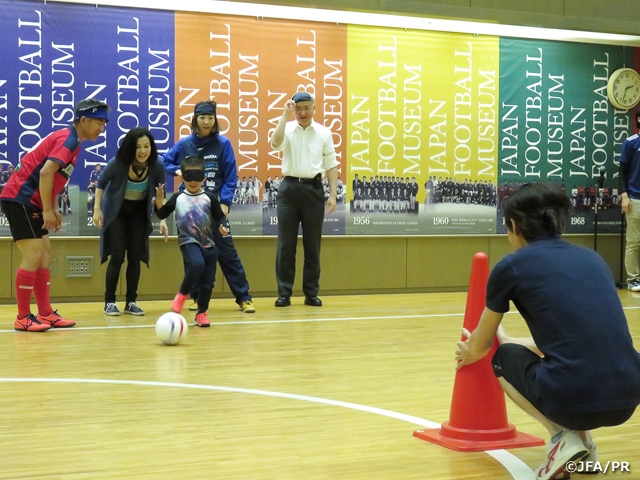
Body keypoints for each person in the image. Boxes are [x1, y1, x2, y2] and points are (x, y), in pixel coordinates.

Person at [454, 182, 640, 480]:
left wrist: (468, 352)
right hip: (629, 397)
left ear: (514, 225)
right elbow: (581, 338)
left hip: (573, 399)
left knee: (503, 357)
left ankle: (561, 439)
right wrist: (516, 340)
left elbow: (480, 344)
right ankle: (586, 448)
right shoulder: (592, 259)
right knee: (569, 365)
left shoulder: (511, 267)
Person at [0, 98, 110, 331]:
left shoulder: (72, 142)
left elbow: (53, 176)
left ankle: (46, 313)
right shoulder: (68, 140)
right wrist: (47, 209)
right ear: (83, 120)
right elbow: (47, 172)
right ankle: (22, 317)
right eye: (99, 122)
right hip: (20, 198)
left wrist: (54, 208)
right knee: (34, 253)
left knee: (46, 253)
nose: (102, 127)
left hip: (31, 201)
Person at [162, 100, 255, 313]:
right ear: (195, 119)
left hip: (214, 209)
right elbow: (165, 162)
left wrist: (224, 203)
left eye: (210, 118)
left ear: (215, 120)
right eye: (202, 117)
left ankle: (244, 297)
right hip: (191, 212)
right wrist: (179, 172)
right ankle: (196, 298)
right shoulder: (185, 144)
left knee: (228, 253)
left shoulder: (223, 144)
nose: (206, 122)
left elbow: (231, 176)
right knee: (194, 256)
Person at [270, 92, 339, 307]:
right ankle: (284, 293)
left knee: (312, 245)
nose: (302, 112)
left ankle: (311, 293)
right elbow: (275, 143)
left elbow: (331, 165)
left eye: (307, 108)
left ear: (314, 108)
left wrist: (333, 195)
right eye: (298, 108)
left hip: (313, 190)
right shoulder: (287, 128)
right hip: (289, 189)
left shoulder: (324, 132)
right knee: (286, 245)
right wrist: (284, 115)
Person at [93, 127, 167, 316]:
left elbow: (160, 198)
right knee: (117, 256)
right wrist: (96, 210)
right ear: (129, 147)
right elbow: (101, 183)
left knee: (135, 257)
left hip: (138, 213)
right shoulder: (118, 163)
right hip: (116, 212)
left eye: (146, 146)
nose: (142, 151)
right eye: (137, 147)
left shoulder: (157, 165)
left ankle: (131, 302)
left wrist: (163, 219)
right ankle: (109, 302)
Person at [155, 156, 229, 327]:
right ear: (182, 178)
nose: (193, 181)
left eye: (198, 177)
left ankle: (201, 313)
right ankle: (182, 295)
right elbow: (161, 214)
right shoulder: (178, 197)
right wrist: (159, 202)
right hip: (188, 241)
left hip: (209, 244)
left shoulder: (209, 197)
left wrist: (223, 227)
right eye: (189, 177)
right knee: (196, 264)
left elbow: (220, 217)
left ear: (204, 177)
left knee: (208, 283)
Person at [620, 107, 640, 291]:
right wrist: (624, 196)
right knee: (633, 241)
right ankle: (633, 279)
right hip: (635, 199)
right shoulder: (631, 142)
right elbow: (622, 171)